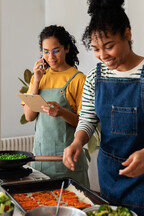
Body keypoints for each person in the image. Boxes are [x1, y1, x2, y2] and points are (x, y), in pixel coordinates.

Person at [63, 0, 144, 216]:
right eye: (96, 49)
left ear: (127, 34)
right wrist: (77, 142)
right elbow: (88, 119)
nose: (103, 56)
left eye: (109, 46)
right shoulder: (94, 77)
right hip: (109, 177)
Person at [23, 25, 90, 187]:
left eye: (56, 50)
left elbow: (85, 123)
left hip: (67, 160)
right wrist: (37, 80)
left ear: (67, 48)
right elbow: (29, 116)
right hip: (41, 159)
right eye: (46, 51)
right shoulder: (38, 77)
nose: (50, 56)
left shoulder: (78, 79)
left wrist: (61, 112)